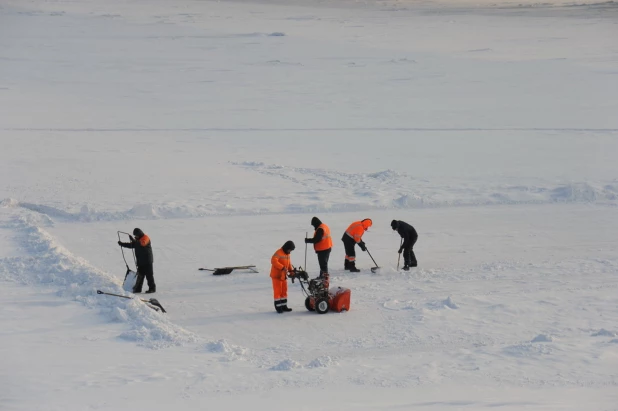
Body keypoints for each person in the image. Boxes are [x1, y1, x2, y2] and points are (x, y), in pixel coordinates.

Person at [118, 228, 156, 293]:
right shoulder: (137, 241)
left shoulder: (145, 238)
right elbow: (132, 245)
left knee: (149, 275)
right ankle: (138, 289)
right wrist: (122, 244)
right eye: (135, 236)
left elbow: (142, 244)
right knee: (140, 276)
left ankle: (152, 288)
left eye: (136, 235)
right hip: (140, 262)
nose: (136, 237)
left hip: (147, 261)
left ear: (140, 234)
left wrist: (134, 240)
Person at [270, 241, 296, 313]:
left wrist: (291, 271)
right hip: (277, 276)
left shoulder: (287, 254)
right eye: (290, 249)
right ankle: (278, 307)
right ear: (286, 247)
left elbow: (288, 264)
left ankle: (284, 306)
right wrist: (282, 267)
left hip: (283, 276)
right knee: (278, 291)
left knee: (284, 291)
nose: (290, 251)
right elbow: (273, 261)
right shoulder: (279, 252)